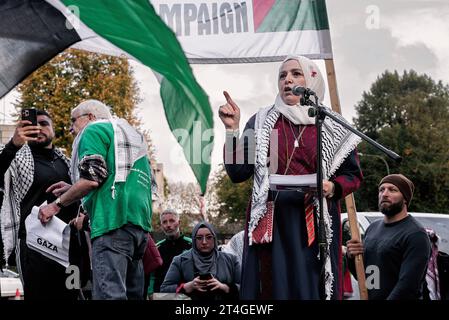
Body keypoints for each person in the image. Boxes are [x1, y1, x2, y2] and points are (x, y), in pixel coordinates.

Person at [218, 55, 363, 300]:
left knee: (312, 288)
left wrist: (332, 187)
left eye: (296, 74)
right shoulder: (262, 121)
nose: (288, 80)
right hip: (273, 222)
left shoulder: (331, 124)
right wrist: (232, 130)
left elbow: (353, 175)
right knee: (274, 289)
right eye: (283, 75)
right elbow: (238, 172)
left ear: (312, 80)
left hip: (316, 224)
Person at [38, 99, 152, 300]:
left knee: (110, 296)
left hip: (111, 222)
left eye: (73, 121)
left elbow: (92, 180)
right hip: (139, 227)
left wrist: (56, 205)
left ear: (90, 117)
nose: (72, 129)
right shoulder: (129, 134)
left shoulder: (93, 130)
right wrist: (72, 188)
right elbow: (113, 176)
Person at [0, 110, 80, 300]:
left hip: (70, 247)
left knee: (72, 294)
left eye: (44, 123)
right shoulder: (16, 158)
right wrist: (13, 145)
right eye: (31, 125)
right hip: (34, 245)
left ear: (53, 129)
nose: (38, 129)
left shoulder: (67, 162)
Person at [346, 174, 431, 300]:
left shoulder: (415, 235)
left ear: (405, 198)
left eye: (392, 190)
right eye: (381, 189)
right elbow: (368, 278)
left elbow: (408, 286)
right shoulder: (373, 229)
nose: (385, 194)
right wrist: (352, 257)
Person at [160, 221, 241, 301]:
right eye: (199, 238)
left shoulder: (231, 260)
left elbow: (245, 288)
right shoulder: (180, 260)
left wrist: (224, 287)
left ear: (214, 238)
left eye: (209, 237)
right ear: (194, 240)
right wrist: (187, 287)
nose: (204, 242)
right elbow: (164, 289)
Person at [146, 209, 192, 298]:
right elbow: (152, 274)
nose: (168, 225)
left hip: (185, 294)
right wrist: (151, 292)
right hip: (161, 295)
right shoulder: (157, 248)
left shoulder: (192, 245)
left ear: (179, 223)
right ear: (161, 226)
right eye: (164, 222)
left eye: (172, 221)